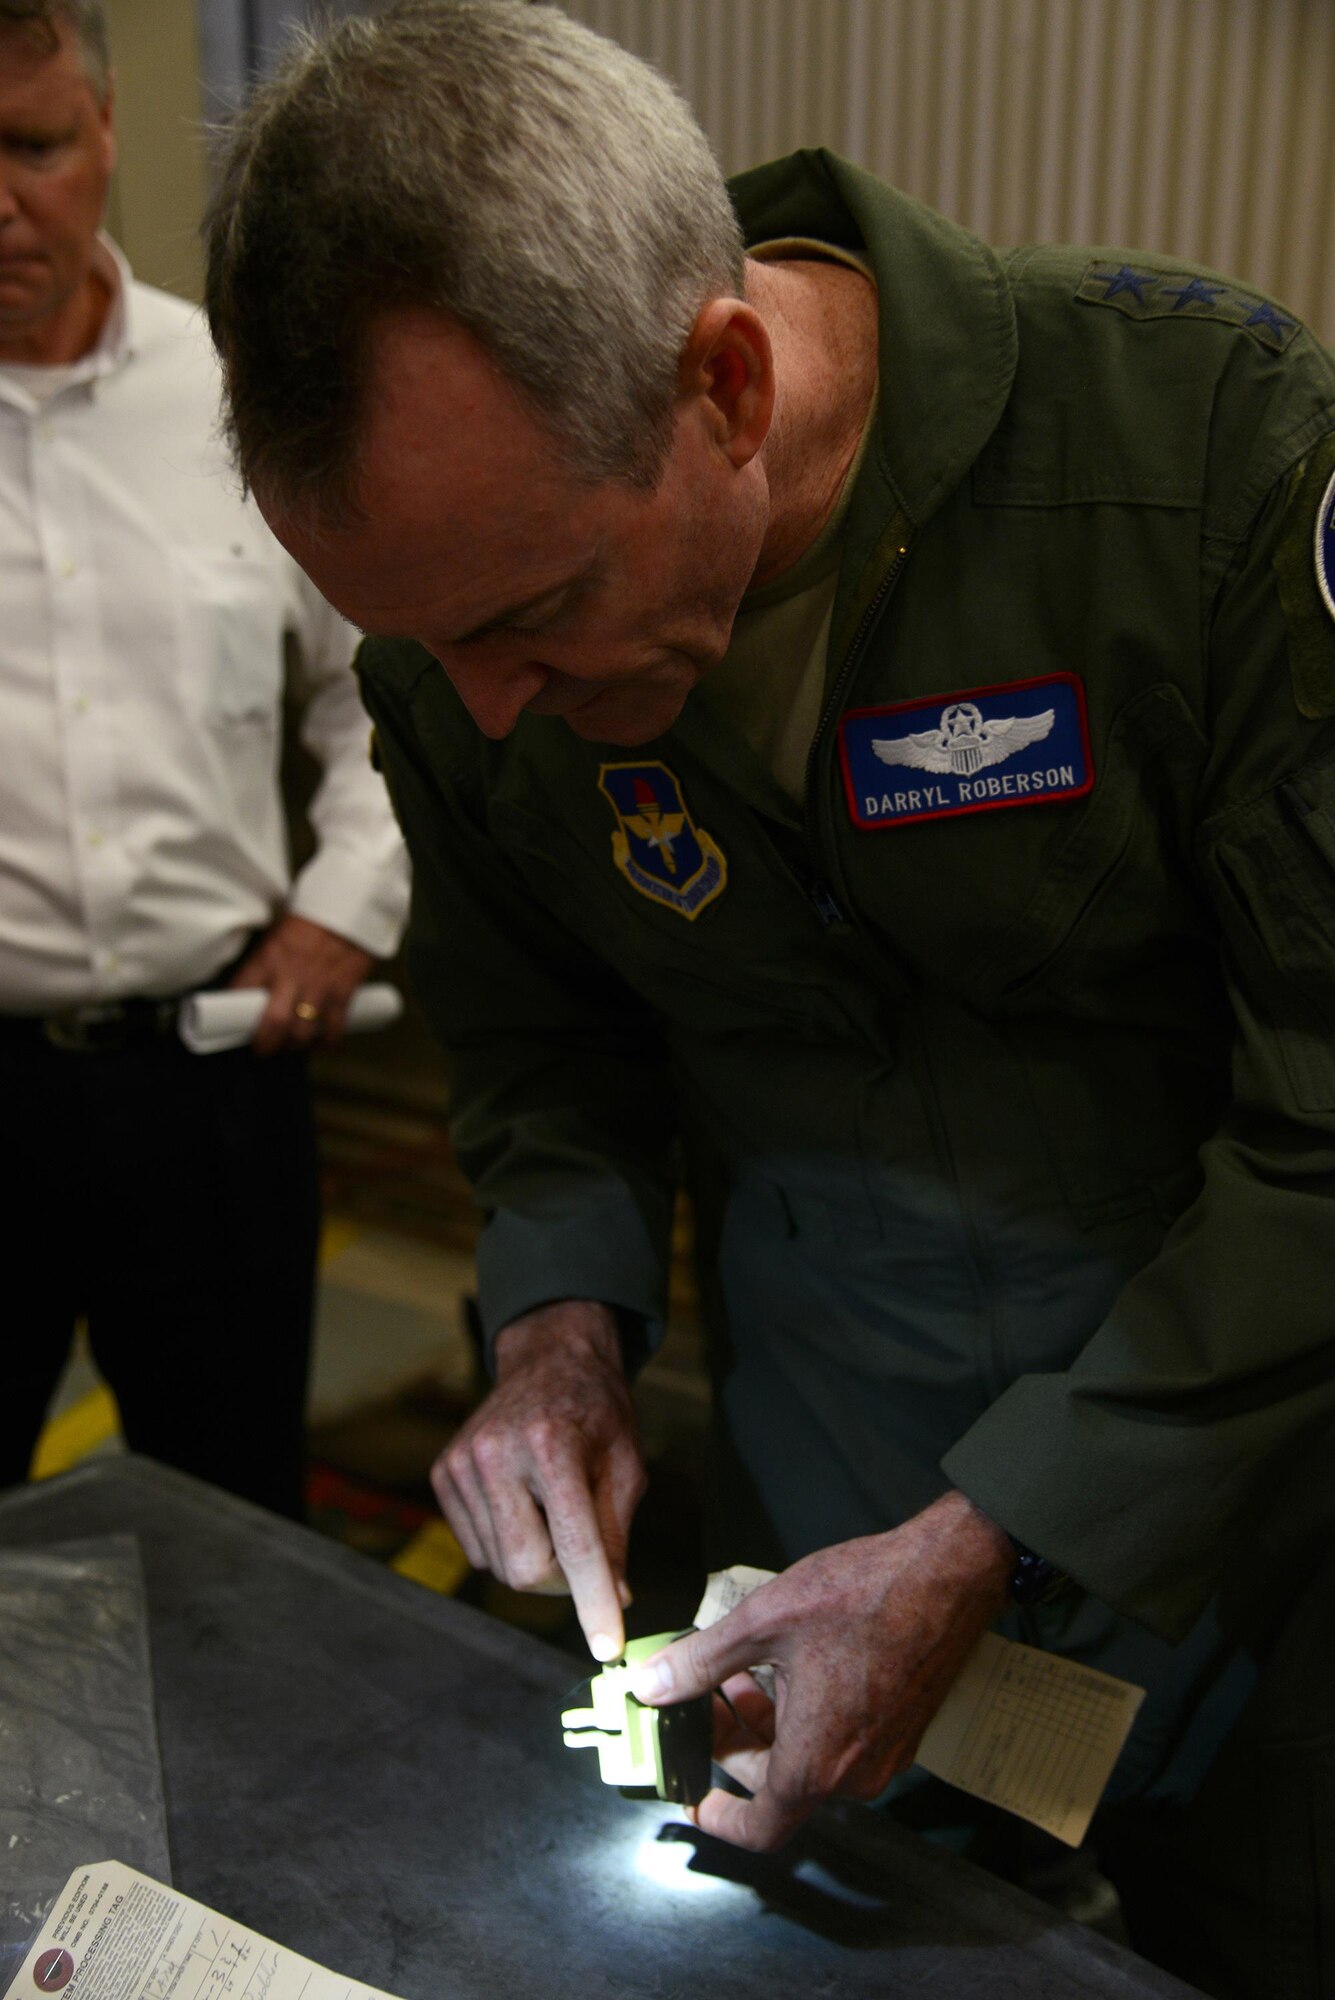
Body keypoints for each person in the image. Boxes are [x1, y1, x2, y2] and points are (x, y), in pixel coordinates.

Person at [202, 2, 1335, 1989]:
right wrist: (557, 1323)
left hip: (1253, 1549)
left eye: (532, 612)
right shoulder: (459, 618)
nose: (483, 709)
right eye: (419, 644)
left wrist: (992, 1536)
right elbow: (546, 1045)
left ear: (723, 381)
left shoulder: (1207, 466)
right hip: (816, 1531)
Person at [0, 0, 409, 1518]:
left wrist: (344, 903)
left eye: (32, 145)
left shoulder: (239, 400)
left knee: (234, 1524)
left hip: (215, 1085)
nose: (2, 201)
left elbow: (386, 687)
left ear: (105, 134)